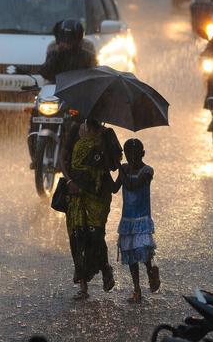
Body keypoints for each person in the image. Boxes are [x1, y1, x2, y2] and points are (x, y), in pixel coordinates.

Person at [61, 119, 121, 300]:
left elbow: (113, 165)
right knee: (78, 236)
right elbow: (63, 158)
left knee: (96, 235)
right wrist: (69, 181)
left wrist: (104, 148)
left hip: (98, 194)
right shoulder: (74, 130)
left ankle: (104, 268)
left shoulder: (107, 134)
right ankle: (83, 286)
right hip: (76, 193)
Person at [28, 19, 97, 168]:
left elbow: (92, 73)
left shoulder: (88, 49)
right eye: (63, 39)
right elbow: (46, 72)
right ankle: (35, 155)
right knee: (34, 113)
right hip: (54, 91)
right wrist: (57, 53)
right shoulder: (53, 48)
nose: (66, 43)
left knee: (83, 118)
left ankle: (81, 154)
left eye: (70, 40)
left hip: (78, 92)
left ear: (78, 39)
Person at [113, 138, 160, 304]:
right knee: (131, 255)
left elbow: (132, 186)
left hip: (142, 219)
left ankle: (151, 271)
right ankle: (137, 289)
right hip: (127, 220)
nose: (131, 158)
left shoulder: (147, 171)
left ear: (143, 154)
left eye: (135, 155)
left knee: (144, 251)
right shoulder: (125, 169)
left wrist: (119, 166)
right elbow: (114, 188)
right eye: (127, 155)